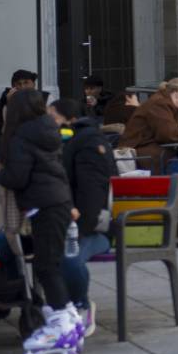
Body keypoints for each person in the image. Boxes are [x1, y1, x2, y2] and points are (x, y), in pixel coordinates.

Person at [0, 89, 83, 352]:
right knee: (50, 263)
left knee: (46, 266)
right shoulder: (46, 131)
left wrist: (0, 176)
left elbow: (17, 178)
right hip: (58, 201)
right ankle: (67, 315)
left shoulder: (22, 136)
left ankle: (60, 325)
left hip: (43, 205)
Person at [49, 98, 114, 336]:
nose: (50, 122)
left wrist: (79, 226)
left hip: (93, 228)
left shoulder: (87, 142)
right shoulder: (67, 140)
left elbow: (92, 193)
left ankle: (81, 304)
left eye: (53, 116)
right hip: (64, 222)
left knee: (69, 257)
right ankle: (51, 306)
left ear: (70, 119)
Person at [117, 78, 178, 173]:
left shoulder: (163, 102)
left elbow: (173, 131)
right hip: (148, 155)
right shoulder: (160, 104)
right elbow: (168, 134)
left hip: (151, 151)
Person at [0, 69, 46, 138]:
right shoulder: (2, 104)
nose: (23, 87)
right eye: (19, 84)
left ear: (33, 84)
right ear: (13, 87)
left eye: (26, 83)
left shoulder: (45, 98)